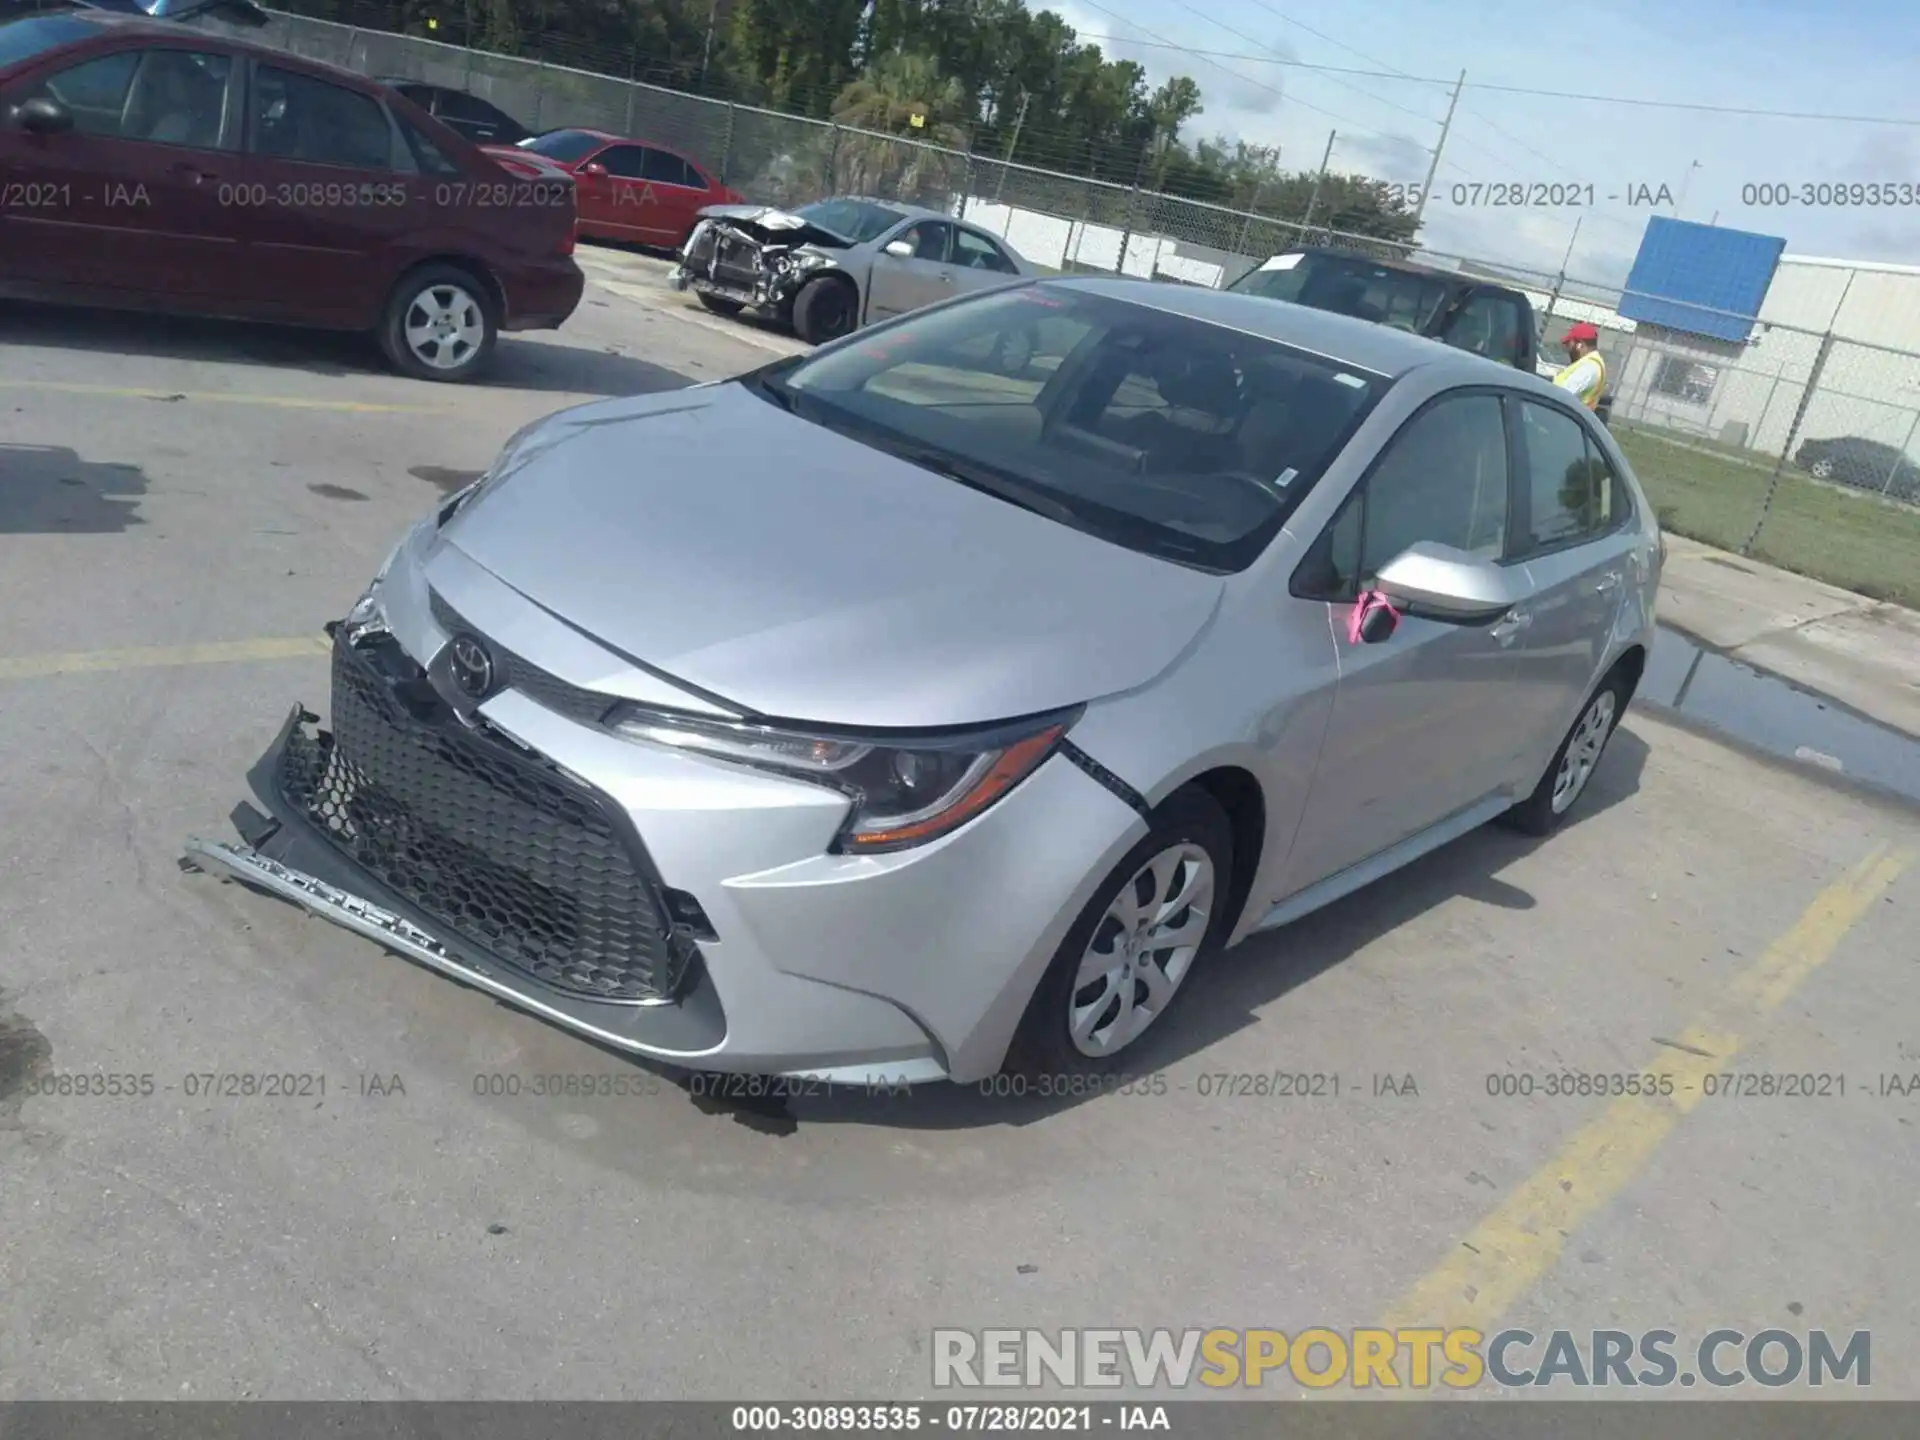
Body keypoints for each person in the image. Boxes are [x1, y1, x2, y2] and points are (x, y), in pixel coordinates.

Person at [1554, 322, 1607, 411]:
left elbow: (1562, 393)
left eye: (1569, 344)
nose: (1568, 349)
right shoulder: (1588, 364)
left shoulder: (1590, 367)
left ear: (1579, 345)